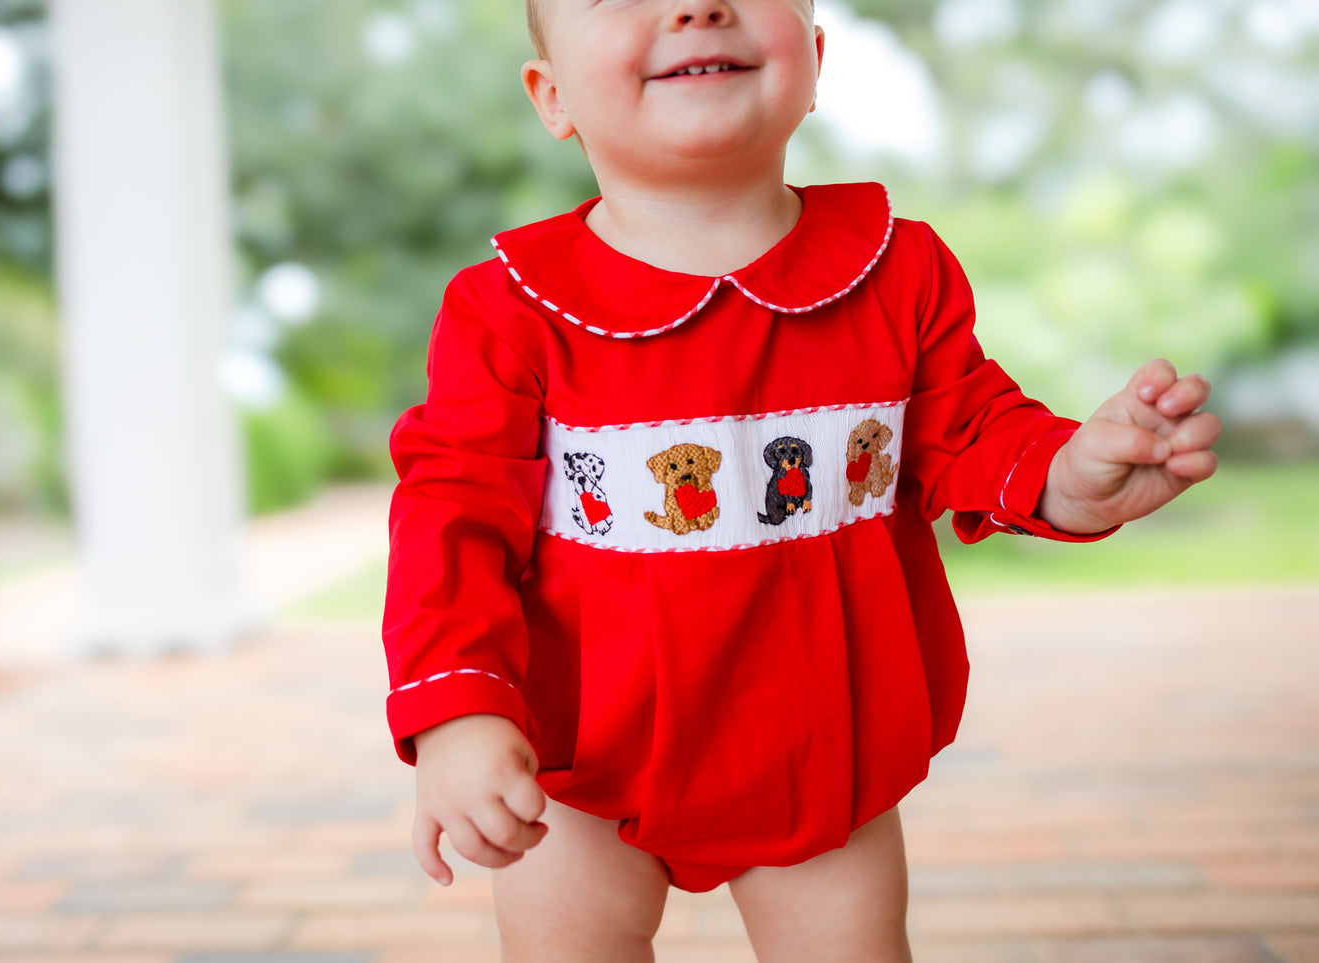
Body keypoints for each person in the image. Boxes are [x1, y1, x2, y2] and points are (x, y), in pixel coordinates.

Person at [380, 1, 1222, 960]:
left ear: (814, 62)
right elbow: (450, 521)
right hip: (577, 754)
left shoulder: (896, 272)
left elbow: (972, 432)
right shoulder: (510, 308)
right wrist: (458, 711)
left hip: (819, 748)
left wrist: (1071, 475)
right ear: (552, 95)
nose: (696, 6)